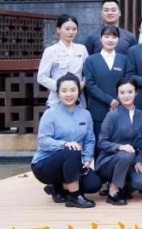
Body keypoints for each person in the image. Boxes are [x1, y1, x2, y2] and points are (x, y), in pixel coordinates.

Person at [31, 74, 101, 208]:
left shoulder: (85, 114)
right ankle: (74, 197)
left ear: (79, 91)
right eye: (64, 91)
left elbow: (89, 139)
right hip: (45, 165)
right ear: (58, 93)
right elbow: (43, 140)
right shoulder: (50, 113)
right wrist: (64, 144)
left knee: (94, 184)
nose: (69, 94)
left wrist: (87, 158)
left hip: (71, 163)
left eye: (73, 90)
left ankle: (58, 188)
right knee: (71, 151)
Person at [95, 79, 142, 205]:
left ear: (136, 92)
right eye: (122, 92)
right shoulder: (112, 115)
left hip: (131, 162)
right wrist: (120, 147)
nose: (126, 96)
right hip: (109, 161)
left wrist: (139, 161)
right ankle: (113, 191)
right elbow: (101, 142)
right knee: (127, 154)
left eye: (130, 92)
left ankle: (123, 186)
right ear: (118, 94)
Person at [82, 26, 128, 139]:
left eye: (114, 37)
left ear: (118, 39)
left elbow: (127, 82)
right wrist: (109, 100)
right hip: (98, 108)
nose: (110, 40)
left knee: (119, 142)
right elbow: (90, 84)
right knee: (99, 141)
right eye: (106, 36)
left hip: (121, 107)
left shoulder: (124, 59)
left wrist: (117, 100)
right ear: (100, 38)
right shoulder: (91, 60)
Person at [37, 15, 88, 107]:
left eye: (74, 29)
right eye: (67, 29)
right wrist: (61, 87)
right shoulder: (50, 51)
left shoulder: (82, 49)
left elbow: (89, 72)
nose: (71, 32)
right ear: (58, 30)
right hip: (56, 100)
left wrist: (82, 84)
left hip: (78, 99)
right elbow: (42, 77)